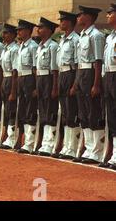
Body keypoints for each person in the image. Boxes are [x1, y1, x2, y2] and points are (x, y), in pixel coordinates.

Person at [72, 5, 106, 164]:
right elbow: (79, 62)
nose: (78, 18)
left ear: (89, 17)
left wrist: (96, 84)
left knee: (93, 111)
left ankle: (97, 152)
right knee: (84, 113)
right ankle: (89, 148)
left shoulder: (96, 35)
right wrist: (77, 81)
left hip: (91, 74)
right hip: (82, 74)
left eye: (81, 15)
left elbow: (98, 61)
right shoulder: (82, 36)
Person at [55, 11, 80, 159]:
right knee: (64, 111)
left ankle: (73, 147)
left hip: (71, 74)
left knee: (72, 110)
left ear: (70, 22)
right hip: (62, 74)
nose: (61, 22)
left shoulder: (75, 39)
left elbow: (77, 63)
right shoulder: (62, 39)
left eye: (63, 20)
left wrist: (75, 84)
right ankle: (67, 145)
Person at [35, 17, 60, 156]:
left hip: (49, 78)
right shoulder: (40, 46)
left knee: (50, 108)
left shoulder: (53, 46)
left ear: (50, 30)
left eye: (42, 27)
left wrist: (55, 87)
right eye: (38, 27)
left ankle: (50, 144)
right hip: (40, 78)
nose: (39, 30)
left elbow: (55, 70)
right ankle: (44, 142)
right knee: (43, 109)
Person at [15, 19, 39, 154]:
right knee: (22, 109)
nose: (18, 32)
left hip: (29, 78)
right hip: (21, 78)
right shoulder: (21, 46)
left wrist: (35, 86)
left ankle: (30, 142)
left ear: (28, 31)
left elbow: (35, 68)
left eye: (21, 29)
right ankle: (21, 139)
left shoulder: (33, 47)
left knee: (30, 109)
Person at [0, 24, 20, 149]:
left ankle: (12, 137)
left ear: (13, 35)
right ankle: (7, 135)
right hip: (5, 80)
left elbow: (15, 72)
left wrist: (13, 91)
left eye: (7, 33)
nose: (4, 35)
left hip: (12, 80)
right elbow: (2, 69)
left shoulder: (14, 49)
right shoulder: (5, 49)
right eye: (4, 33)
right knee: (6, 110)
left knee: (12, 110)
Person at [104, 3, 116, 170]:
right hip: (109, 76)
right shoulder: (110, 37)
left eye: (110, 13)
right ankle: (114, 154)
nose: (107, 15)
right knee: (112, 115)